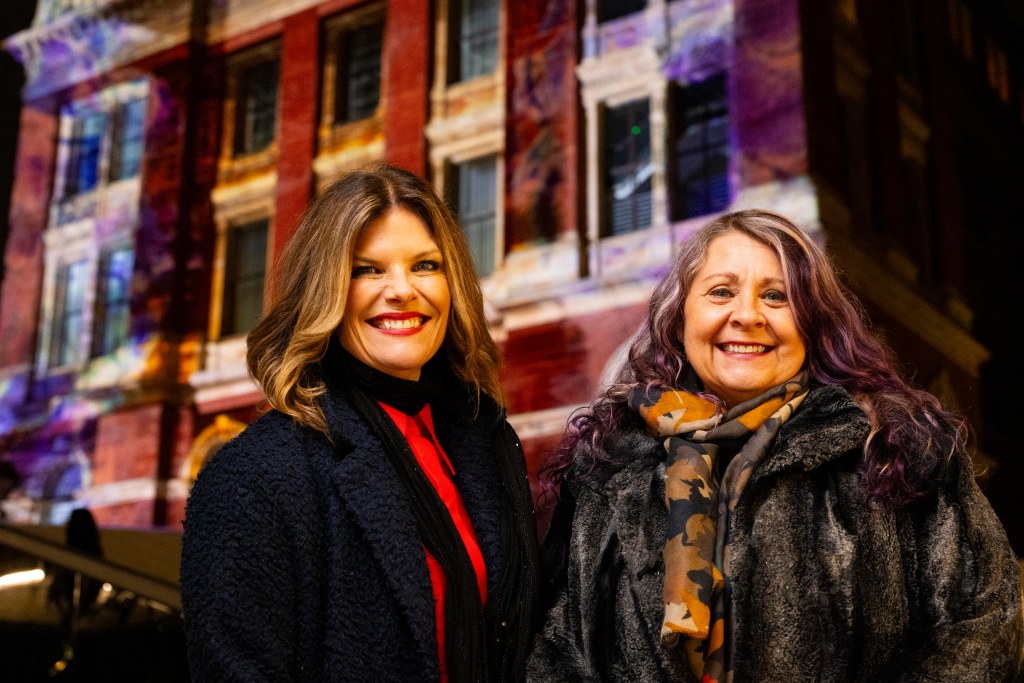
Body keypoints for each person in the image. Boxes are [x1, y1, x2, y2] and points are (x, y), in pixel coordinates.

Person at [527, 209, 1023, 681]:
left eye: (776, 296)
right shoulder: (608, 462)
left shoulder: (895, 447)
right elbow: (556, 644)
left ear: (813, 321)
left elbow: (983, 620)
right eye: (721, 292)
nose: (747, 315)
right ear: (679, 319)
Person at [180, 163, 539, 682]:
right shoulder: (254, 476)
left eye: (425, 265)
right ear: (324, 291)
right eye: (366, 270)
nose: (402, 290)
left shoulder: (488, 444)